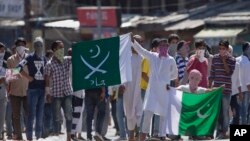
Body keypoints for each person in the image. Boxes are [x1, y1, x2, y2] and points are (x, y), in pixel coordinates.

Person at [132, 34, 178, 141]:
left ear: (168, 47)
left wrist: (166, 78)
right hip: (152, 91)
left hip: (164, 90)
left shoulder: (171, 60)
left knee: (163, 113)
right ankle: (143, 136)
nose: (163, 48)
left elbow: (175, 75)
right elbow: (141, 50)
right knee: (148, 113)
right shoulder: (153, 56)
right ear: (157, 48)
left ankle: (162, 135)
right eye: (161, 46)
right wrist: (133, 42)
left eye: (165, 46)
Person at [16, 37, 47, 140]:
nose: (39, 47)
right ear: (34, 46)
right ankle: (29, 137)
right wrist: (28, 77)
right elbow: (18, 68)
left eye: (41, 45)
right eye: (37, 45)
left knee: (40, 114)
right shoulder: (29, 57)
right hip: (32, 90)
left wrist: (48, 89)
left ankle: (38, 136)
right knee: (31, 114)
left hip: (42, 90)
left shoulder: (44, 58)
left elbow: (47, 73)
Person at [44, 40, 73, 141]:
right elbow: (47, 80)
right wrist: (48, 93)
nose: (62, 49)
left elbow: (77, 57)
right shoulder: (49, 64)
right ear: (55, 49)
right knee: (56, 117)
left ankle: (69, 136)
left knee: (69, 114)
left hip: (68, 92)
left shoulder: (67, 60)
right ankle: (56, 136)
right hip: (56, 94)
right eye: (60, 47)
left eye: (63, 47)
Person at [209, 40, 235, 139]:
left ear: (227, 49)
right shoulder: (215, 58)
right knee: (218, 112)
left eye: (223, 49)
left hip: (227, 90)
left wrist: (224, 60)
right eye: (220, 49)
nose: (221, 51)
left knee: (225, 112)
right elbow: (212, 73)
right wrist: (209, 85)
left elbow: (229, 72)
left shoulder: (232, 59)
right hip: (216, 90)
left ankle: (224, 131)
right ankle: (219, 131)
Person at [7, 37, 29, 140]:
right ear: (15, 47)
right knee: (16, 116)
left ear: (25, 46)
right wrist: (17, 72)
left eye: (22, 44)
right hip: (15, 92)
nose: (21, 46)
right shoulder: (10, 59)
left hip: (28, 91)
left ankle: (29, 135)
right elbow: (9, 76)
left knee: (28, 114)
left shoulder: (30, 58)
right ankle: (19, 136)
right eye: (18, 44)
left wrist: (17, 71)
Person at [123, 35, 143, 141]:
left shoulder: (144, 58)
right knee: (129, 113)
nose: (137, 44)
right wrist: (121, 86)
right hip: (128, 89)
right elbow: (122, 73)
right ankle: (131, 137)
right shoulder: (126, 57)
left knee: (140, 112)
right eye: (135, 41)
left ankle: (138, 136)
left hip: (140, 89)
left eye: (140, 42)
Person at [236, 42, 250, 125]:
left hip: (237, 89)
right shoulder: (247, 63)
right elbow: (248, 81)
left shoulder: (237, 59)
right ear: (247, 49)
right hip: (246, 90)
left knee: (239, 110)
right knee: (244, 110)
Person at [0, 42, 11, 140]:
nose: (2, 51)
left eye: (3, 49)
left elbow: (14, 73)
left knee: (3, 113)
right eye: (0, 49)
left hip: (3, 89)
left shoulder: (6, 62)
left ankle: (1, 133)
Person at [228, 45, 241, 125]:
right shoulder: (221, 63)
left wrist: (240, 92)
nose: (228, 53)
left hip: (234, 92)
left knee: (236, 110)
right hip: (224, 91)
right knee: (225, 111)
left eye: (230, 51)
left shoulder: (237, 64)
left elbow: (238, 79)